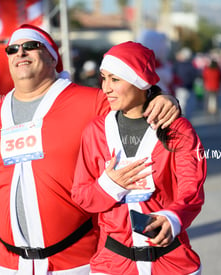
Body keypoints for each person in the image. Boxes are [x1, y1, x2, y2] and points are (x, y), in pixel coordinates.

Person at [0, 24, 180, 275]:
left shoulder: (92, 101)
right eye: (12, 49)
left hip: (77, 260)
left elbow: (134, 108)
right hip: (3, 262)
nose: (20, 53)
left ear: (52, 57)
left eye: (30, 46)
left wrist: (162, 98)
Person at [71, 41, 206, 275]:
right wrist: (109, 185)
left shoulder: (176, 129)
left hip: (172, 262)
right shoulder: (95, 131)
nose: (106, 88)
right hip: (112, 264)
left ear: (139, 82)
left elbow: (191, 190)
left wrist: (172, 217)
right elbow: (82, 196)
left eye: (116, 79)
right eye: (104, 78)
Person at [173, 47, 198, 119]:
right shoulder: (191, 65)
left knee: (183, 108)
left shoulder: (178, 65)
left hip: (183, 88)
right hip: (185, 88)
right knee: (185, 108)